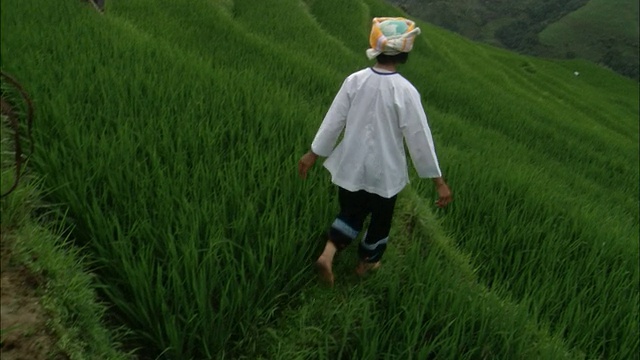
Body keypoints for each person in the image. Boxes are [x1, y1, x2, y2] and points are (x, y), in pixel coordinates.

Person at [298, 17, 452, 286]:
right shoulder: (405, 91)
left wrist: (313, 154)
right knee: (380, 220)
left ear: (376, 48)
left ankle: (329, 253)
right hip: (385, 172)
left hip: (351, 165)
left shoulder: (354, 80)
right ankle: (365, 265)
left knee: (350, 212)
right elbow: (419, 139)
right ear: (404, 53)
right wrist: (438, 182)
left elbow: (333, 121)